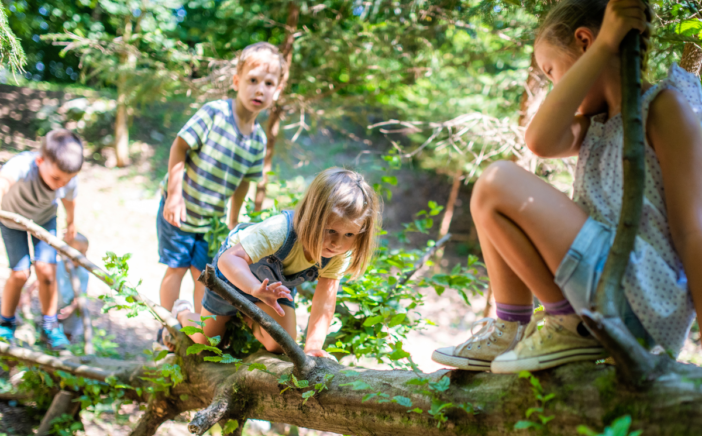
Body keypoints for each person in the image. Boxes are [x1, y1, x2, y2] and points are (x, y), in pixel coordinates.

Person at [432, 0, 702, 373]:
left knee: (496, 180)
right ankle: (516, 326)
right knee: (488, 196)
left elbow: (693, 231)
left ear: (585, 42)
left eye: (552, 71)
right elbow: (540, 140)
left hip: (642, 296)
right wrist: (602, 47)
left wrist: (606, 44)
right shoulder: (597, 127)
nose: (556, 85)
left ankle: (566, 322)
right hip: (605, 291)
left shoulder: (665, 107)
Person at [165, 168, 380, 358]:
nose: (337, 243)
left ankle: (246, 317)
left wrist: (313, 347)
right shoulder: (280, 230)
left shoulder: (338, 253)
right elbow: (228, 260)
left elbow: (325, 300)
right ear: (312, 216)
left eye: (349, 234)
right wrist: (252, 289)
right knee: (207, 343)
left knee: (281, 344)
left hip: (271, 290)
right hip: (233, 276)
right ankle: (181, 312)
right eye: (330, 230)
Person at [157, 42, 286, 316]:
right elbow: (179, 147)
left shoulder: (257, 141)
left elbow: (243, 183)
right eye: (252, 80)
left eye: (269, 83)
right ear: (237, 81)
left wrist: (233, 219)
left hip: (211, 219)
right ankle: (166, 325)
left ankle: (194, 329)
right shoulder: (214, 113)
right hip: (180, 206)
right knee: (177, 267)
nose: (260, 89)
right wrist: (174, 194)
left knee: (204, 274)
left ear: (277, 90)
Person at [0, 129, 84, 349]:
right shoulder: (22, 165)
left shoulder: (66, 178)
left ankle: (50, 324)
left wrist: (71, 222)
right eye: (56, 178)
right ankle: (6, 322)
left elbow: (69, 199)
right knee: (20, 273)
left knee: (47, 270)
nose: (59, 184)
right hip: (11, 221)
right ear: (40, 161)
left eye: (66, 180)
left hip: (44, 221)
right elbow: (4, 180)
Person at [56, 233, 90, 341]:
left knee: (76, 314)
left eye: (85, 252)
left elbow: (81, 295)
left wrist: (70, 308)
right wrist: (27, 295)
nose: (83, 256)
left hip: (71, 306)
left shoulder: (83, 274)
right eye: (80, 252)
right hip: (55, 304)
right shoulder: (56, 266)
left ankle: (66, 340)